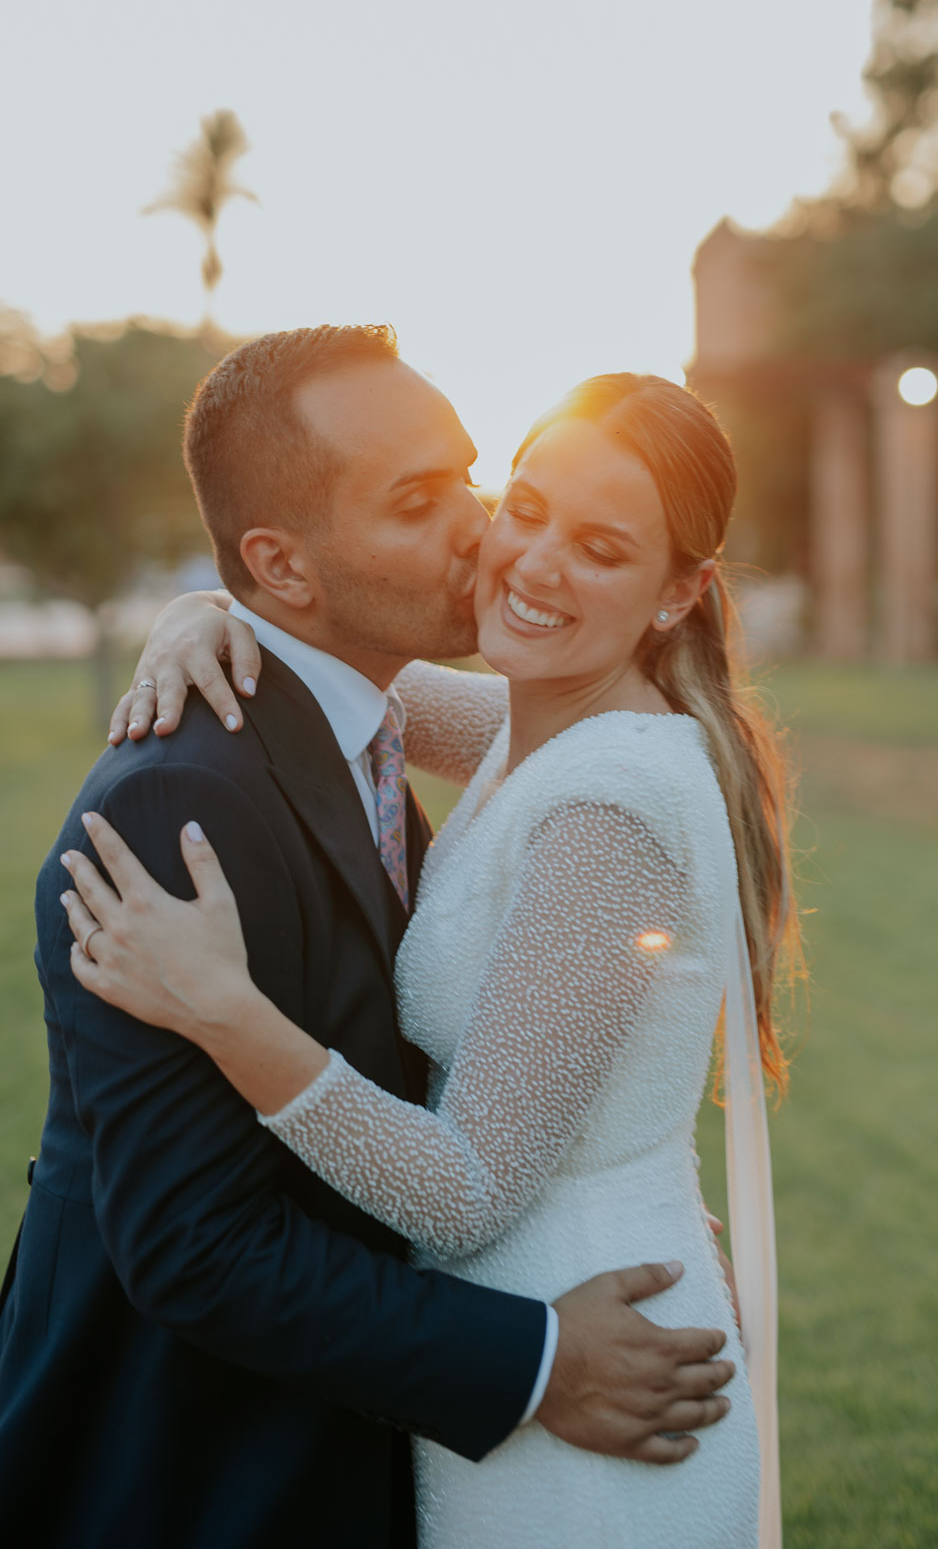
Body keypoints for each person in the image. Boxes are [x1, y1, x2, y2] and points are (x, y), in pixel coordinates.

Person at [0, 327, 738, 1549]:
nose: (485, 533)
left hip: (567, 1349)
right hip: (186, 1461)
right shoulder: (182, 802)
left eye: (467, 475)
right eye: (421, 500)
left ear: (677, 587)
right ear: (282, 565)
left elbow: (462, 1163)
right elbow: (192, 1240)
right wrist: (203, 604)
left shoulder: (527, 742)